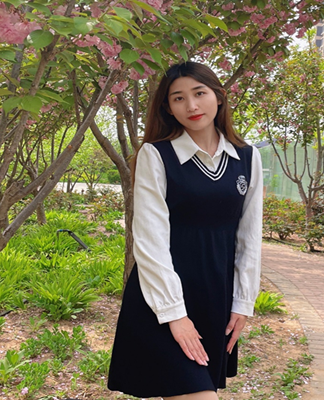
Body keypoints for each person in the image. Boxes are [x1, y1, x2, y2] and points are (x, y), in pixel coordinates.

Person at [108, 62, 263, 400]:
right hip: (161, 301)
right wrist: (174, 315)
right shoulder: (156, 155)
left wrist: (243, 302)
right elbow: (149, 240)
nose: (191, 106)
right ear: (168, 107)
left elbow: (249, 237)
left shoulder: (247, 157)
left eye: (199, 93)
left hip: (216, 298)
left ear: (218, 96)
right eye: (178, 98)